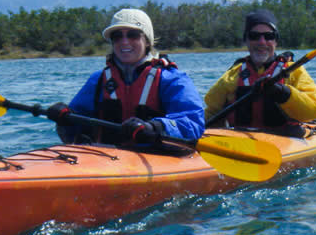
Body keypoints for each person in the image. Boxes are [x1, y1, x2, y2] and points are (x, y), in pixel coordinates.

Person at [47, 8, 205, 147]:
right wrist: (64, 117)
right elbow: (76, 125)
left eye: (133, 35)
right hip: (108, 158)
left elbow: (193, 122)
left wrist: (155, 127)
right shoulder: (98, 80)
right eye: (117, 36)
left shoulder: (172, 79)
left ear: (147, 41)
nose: (124, 42)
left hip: (156, 158)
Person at [203, 9, 316, 136]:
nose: (262, 42)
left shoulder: (292, 71)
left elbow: (315, 110)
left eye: (268, 36)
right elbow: (210, 113)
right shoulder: (232, 76)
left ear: (275, 41)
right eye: (254, 36)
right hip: (241, 143)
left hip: (285, 140)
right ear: (246, 41)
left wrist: (283, 93)